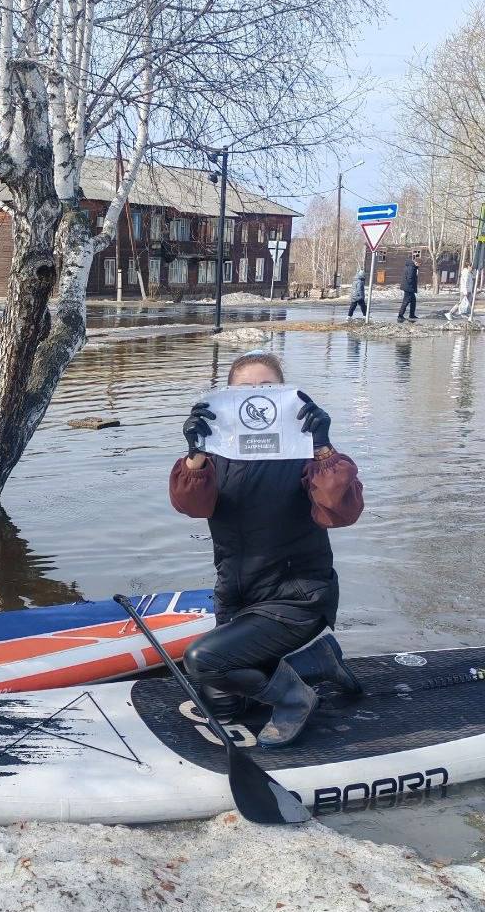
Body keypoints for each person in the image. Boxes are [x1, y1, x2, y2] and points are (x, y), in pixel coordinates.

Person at [170, 351, 364, 747]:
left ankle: (296, 698)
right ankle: (318, 660)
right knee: (224, 705)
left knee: (203, 660)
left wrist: (323, 447)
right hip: (238, 599)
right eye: (244, 389)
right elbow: (191, 506)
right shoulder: (215, 455)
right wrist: (195, 453)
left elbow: (341, 513)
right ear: (228, 396)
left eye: (267, 387)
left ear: (284, 393)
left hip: (297, 598)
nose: (256, 396)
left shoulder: (306, 451)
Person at [397, 255, 420, 322]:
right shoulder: (411, 267)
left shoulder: (412, 267)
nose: (419, 265)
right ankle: (400, 316)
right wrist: (411, 286)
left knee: (413, 301)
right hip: (409, 288)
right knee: (406, 301)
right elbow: (410, 278)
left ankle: (412, 315)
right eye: (419, 264)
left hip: (409, 287)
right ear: (416, 262)